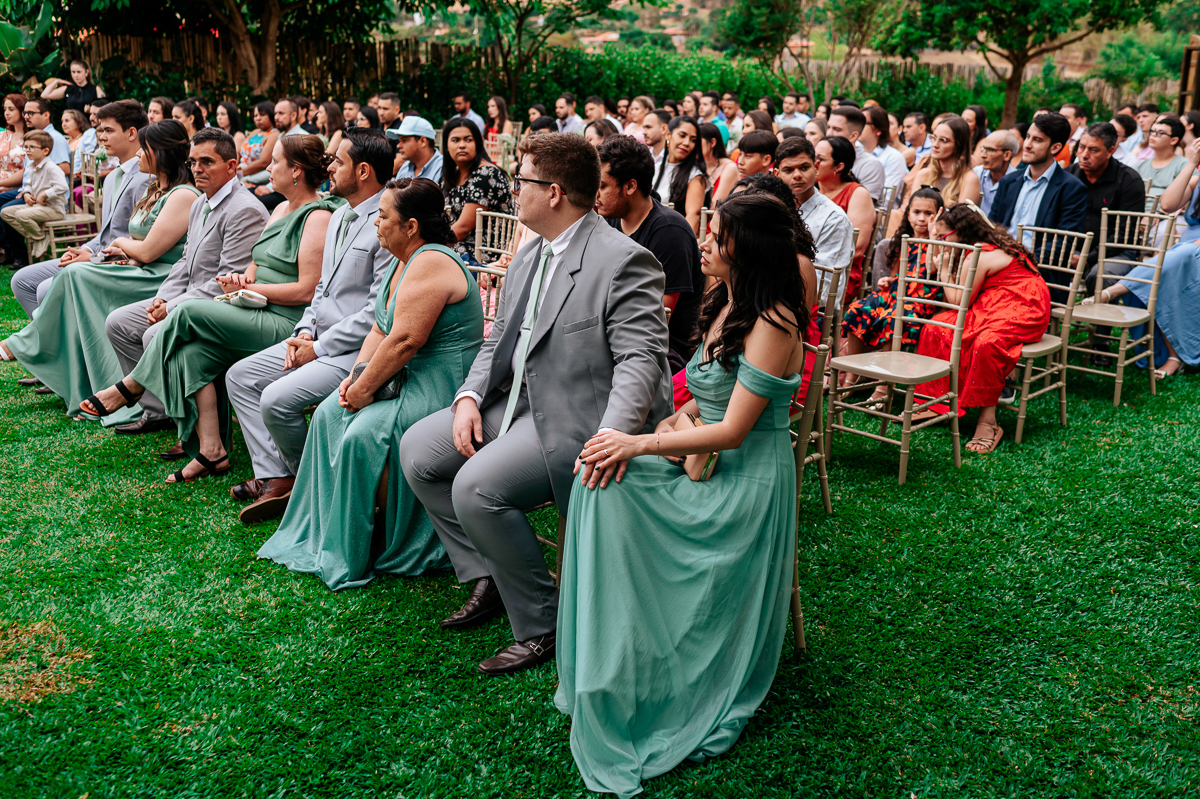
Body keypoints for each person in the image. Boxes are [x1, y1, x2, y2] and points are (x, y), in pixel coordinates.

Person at [555, 193, 808, 799]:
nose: (703, 244)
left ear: (743, 249)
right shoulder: (726, 303)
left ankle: (649, 654)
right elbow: (708, 394)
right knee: (596, 481)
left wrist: (638, 442)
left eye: (714, 236)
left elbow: (735, 429)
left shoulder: (774, 320)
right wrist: (669, 425)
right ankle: (613, 650)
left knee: (612, 468)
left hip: (741, 487)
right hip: (700, 462)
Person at [399, 132, 672, 677]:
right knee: (418, 452)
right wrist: (471, 396)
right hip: (512, 400)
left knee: (475, 488)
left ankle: (542, 623)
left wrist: (611, 438)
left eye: (519, 180)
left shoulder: (625, 261)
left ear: (552, 191)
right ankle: (491, 574)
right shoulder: (530, 253)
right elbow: (499, 337)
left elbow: (640, 362)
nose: (510, 191)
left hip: (575, 418)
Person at [257, 177, 483, 587]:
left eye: (382, 216)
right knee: (328, 413)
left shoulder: (432, 260)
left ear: (410, 226)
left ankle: (377, 542)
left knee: (363, 434)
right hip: (403, 373)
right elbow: (379, 331)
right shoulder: (402, 258)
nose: (375, 224)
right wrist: (354, 380)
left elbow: (405, 341)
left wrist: (363, 391)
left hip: (439, 385)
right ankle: (337, 528)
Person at [79, 135, 337, 480]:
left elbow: (307, 290)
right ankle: (212, 451)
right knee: (193, 351)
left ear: (297, 171)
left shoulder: (317, 216)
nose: (267, 167)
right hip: (253, 305)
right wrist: (241, 280)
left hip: (284, 321)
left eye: (275, 162)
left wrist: (251, 287)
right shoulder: (278, 208)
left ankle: (131, 386)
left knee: (185, 314)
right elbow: (253, 265)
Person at [225, 127, 394, 522]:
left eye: (338, 161)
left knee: (275, 399)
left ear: (364, 171)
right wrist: (303, 331)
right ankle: (279, 477)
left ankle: (315, 483)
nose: (329, 167)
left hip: (355, 352)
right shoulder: (338, 215)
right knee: (240, 376)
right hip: (313, 337)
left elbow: (375, 314)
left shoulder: (384, 223)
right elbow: (322, 289)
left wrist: (317, 347)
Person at [1, 120, 198, 411]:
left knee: (75, 275)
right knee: (72, 274)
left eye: (144, 150)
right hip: (136, 267)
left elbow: (146, 250)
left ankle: (27, 345)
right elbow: (134, 244)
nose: (140, 156)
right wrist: (114, 251)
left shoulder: (183, 194)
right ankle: (73, 377)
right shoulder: (156, 190)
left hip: (159, 278)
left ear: (161, 154)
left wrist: (120, 246)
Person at [100, 128, 269, 434]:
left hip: (220, 305)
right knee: (119, 322)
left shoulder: (244, 209)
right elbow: (184, 262)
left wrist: (173, 306)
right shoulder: (199, 203)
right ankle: (159, 410)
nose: (197, 169)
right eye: (193, 162)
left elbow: (226, 282)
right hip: (185, 297)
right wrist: (162, 298)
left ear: (231, 166)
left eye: (207, 162)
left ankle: (186, 421)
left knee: (155, 334)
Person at [915, 203, 1051, 453]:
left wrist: (944, 268)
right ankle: (935, 403)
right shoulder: (979, 247)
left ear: (961, 232)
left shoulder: (980, 254)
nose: (940, 241)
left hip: (1026, 305)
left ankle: (988, 422)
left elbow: (959, 302)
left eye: (943, 236)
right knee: (936, 327)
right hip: (995, 302)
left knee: (987, 342)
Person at [9, 100, 151, 318]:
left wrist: (93, 257)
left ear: (132, 133)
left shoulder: (146, 179)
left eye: (108, 130)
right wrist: (84, 249)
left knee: (46, 288)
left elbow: (140, 243)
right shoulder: (113, 176)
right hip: (96, 253)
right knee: (22, 279)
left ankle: (49, 342)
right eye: (100, 130)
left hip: (121, 263)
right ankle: (49, 341)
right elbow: (105, 233)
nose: (100, 137)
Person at [595, 135, 703, 373]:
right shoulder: (609, 219)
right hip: (615, 332)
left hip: (663, 351)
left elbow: (659, 316)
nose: (596, 194)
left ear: (631, 186)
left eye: (602, 186)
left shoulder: (669, 232)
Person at [846, 187, 945, 404]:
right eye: (916, 212)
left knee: (893, 320)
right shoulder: (903, 240)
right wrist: (887, 281)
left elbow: (933, 270)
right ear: (908, 213)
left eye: (928, 214)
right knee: (857, 310)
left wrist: (934, 235)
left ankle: (884, 384)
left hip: (919, 302)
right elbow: (898, 274)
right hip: (894, 294)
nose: (921, 218)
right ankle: (852, 375)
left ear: (938, 216)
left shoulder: (939, 244)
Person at [989, 112, 1087, 266]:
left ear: (1055, 147)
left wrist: (1019, 260)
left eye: (1037, 140)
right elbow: (992, 226)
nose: (1027, 144)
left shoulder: (1071, 188)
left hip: (1038, 268)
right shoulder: (1009, 181)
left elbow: (1063, 243)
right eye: (1027, 137)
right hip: (998, 261)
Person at [776, 136, 852, 308]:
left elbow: (824, 287)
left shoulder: (833, 218)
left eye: (804, 168)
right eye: (788, 170)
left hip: (808, 308)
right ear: (777, 174)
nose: (797, 175)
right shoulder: (772, 208)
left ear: (816, 167)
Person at [441, 119, 513, 265]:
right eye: (455, 140)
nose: (462, 145)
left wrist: (430, 245)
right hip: (457, 245)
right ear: (446, 147)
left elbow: (463, 227)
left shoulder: (486, 174)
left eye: (468, 140)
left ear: (478, 144)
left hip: (484, 252)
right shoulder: (450, 176)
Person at [815, 136, 875, 303]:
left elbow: (856, 249)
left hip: (840, 275)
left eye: (819, 159)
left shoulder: (857, 194)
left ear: (839, 166)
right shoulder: (809, 192)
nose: (813, 163)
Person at [0, 131, 68, 261]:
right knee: (5, 212)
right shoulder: (32, 166)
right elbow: (29, 184)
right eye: (25, 147)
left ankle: (39, 237)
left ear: (45, 151)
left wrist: (45, 194)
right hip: (37, 207)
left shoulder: (52, 168)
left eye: (32, 147)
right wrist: (26, 193)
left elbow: (62, 186)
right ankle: (39, 237)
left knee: (21, 215)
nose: (27, 150)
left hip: (54, 209)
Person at [902, 115, 981, 211]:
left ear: (959, 145)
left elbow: (961, 221)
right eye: (934, 138)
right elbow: (912, 213)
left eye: (943, 140)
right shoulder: (923, 175)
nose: (935, 145)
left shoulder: (969, 179)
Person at [651, 116, 707, 234]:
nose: (687, 143)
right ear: (668, 135)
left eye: (693, 140)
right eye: (682, 135)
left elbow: (693, 216)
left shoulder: (695, 176)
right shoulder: (654, 168)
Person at [826, 106, 886, 204]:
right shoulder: (820, 158)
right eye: (828, 127)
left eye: (837, 129)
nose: (829, 133)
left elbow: (863, 206)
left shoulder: (870, 165)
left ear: (853, 136)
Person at [1135, 116, 1188, 197]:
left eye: (1160, 133)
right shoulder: (1140, 165)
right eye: (1152, 131)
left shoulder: (1184, 166)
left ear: (1173, 140)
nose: (1153, 135)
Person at [972, 130, 1018, 216]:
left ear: (1007, 155)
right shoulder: (975, 174)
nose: (983, 155)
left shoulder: (1017, 182)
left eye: (990, 150)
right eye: (983, 149)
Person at [862, 105, 907, 189]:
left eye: (864, 123)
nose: (858, 127)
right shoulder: (853, 152)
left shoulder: (894, 158)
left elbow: (886, 197)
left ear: (878, 130)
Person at [239, 102, 278, 187]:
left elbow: (263, 163)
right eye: (255, 116)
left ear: (271, 114)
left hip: (254, 179)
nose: (258, 118)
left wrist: (239, 172)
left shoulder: (274, 134)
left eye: (262, 115)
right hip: (240, 172)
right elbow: (239, 151)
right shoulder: (255, 132)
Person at [394, 116, 442, 182]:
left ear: (423, 141)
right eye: (399, 141)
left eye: (404, 140)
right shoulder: (405, 168)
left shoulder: (443, 169)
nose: (398, 146)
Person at [700, 121, 739, 203]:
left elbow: (715, 205)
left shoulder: (729, 167)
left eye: (698, 142)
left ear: (713, 142)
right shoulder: (696, 165)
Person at [0, 94, 27, 197]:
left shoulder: (31, 138)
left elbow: (28, 170)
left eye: (11, 109)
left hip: (17, 187)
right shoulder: (3, 135)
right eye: (5, 109)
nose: (6, 113)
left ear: (22, 111)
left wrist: (2, 184)